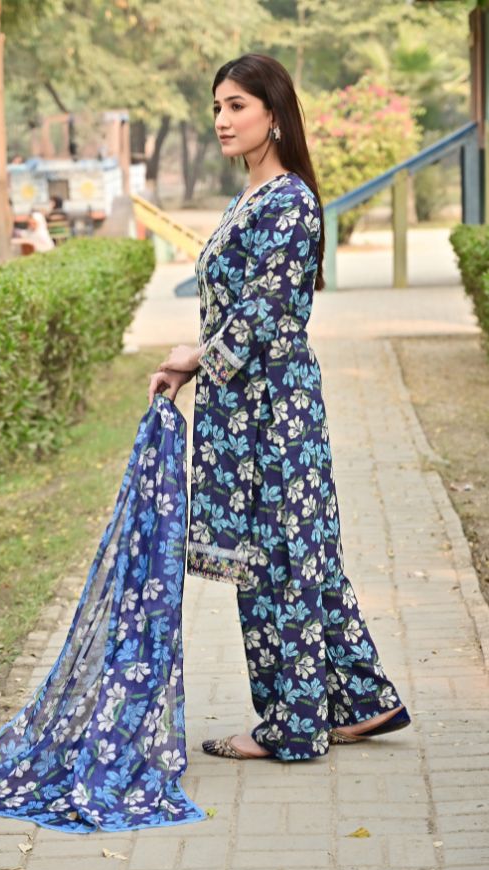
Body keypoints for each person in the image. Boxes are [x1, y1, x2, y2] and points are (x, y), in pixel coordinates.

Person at [148, 53, 410, 761]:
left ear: (274, 114)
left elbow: (264, 312)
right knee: (301, 553)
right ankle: (364, 701)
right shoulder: (249, 200)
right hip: (245, 407)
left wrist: (195, 358)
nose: (223, 120)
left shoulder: (290, 200)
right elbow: (234, 310)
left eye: (237, 106)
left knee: (279, 560)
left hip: (274, 409)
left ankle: (293, 723)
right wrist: (192, 362)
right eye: (216, 108)